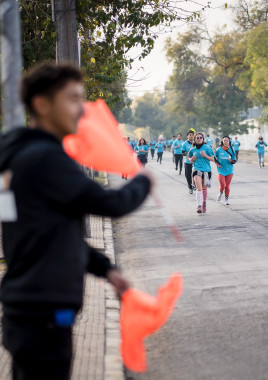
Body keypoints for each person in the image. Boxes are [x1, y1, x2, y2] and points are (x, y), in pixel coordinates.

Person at [0, 62, 155, 380]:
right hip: (43, 311)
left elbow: (50, 234)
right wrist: (144, 180)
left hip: (29, 308)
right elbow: (111, 203)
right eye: (72, 99)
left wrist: (105, 268)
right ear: (42, 104)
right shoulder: (45, 158)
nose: (82, 111)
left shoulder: (22, 154)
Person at [188, 133, 214, 214]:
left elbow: (213, 159)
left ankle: (204, 203)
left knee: (204, 188)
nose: (199, 139)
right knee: (199, 188)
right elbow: (189, 158)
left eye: (200, 137)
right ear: (195, 139)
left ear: (203, 139)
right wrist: (191, 159)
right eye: (197, 138)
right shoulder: (193, 149)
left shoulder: (207, 148)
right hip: (196, 170)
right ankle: (199, 205)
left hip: (206, 170)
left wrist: (205, 155)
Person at [215, 136, 237, 205]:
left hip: (229, 171)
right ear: (222, 141)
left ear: (229, 142)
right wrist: (218, 163)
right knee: (222, 185)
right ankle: (221, 193)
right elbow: (214, 158)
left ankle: (226, 200)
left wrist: (231, 161)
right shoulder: (218, 150)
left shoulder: (232, 149)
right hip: (221, 170)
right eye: (224, 140)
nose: (226, 142)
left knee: (227, 185)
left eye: (227, 141)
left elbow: (235, 160)